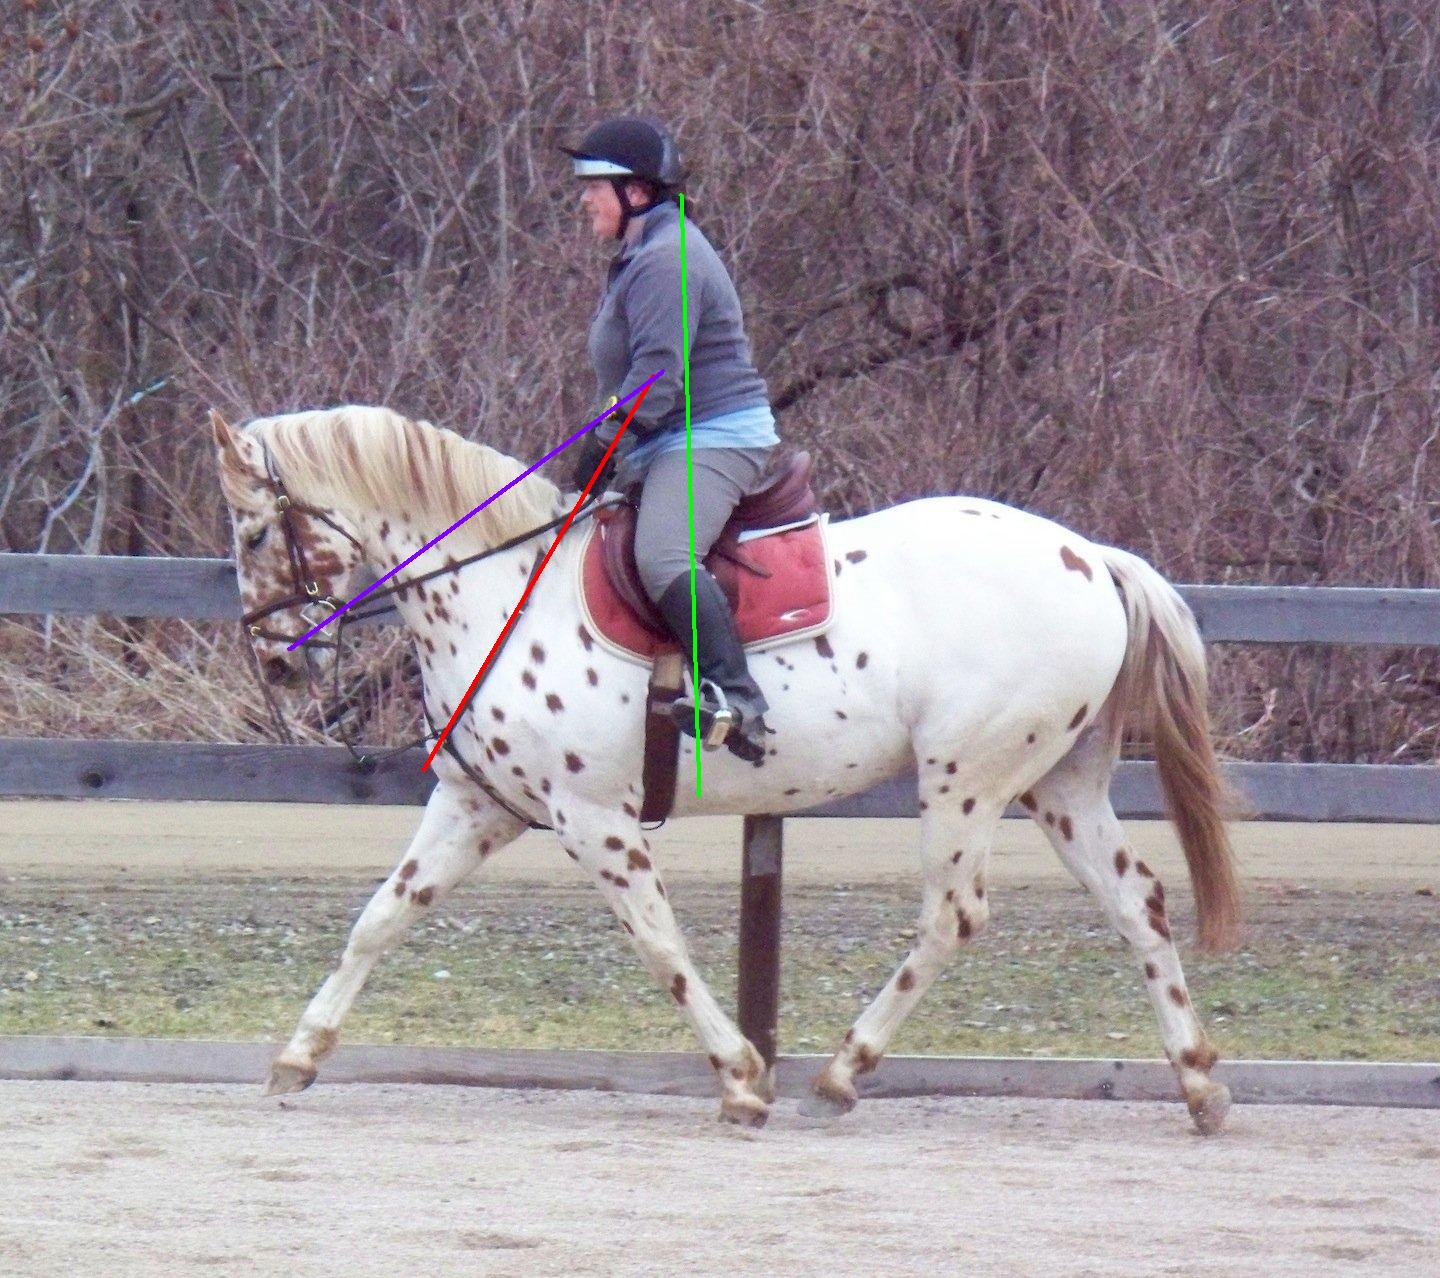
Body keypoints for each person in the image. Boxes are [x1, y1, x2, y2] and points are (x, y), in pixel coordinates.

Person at [562, 116, 779, 764]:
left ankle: (739, 702)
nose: (584, 199)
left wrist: (604, 440)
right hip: (662, 440)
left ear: (638, 191)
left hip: (714, 436)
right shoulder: (640, 257)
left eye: (594, 186)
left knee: (661, 555)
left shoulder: (666, 259)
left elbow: (657, 379)